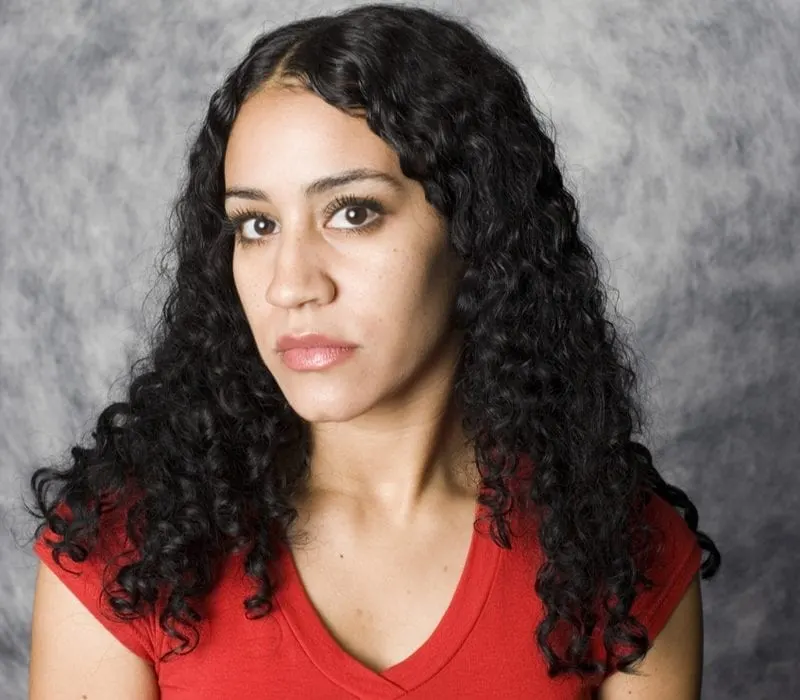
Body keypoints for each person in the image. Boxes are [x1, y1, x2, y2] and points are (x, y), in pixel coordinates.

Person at [25, 3, 720, 699]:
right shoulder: (124, 550)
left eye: (353, 212)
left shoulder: (618, 551)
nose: (291, 283)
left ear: (474, 231)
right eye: (257, 224)